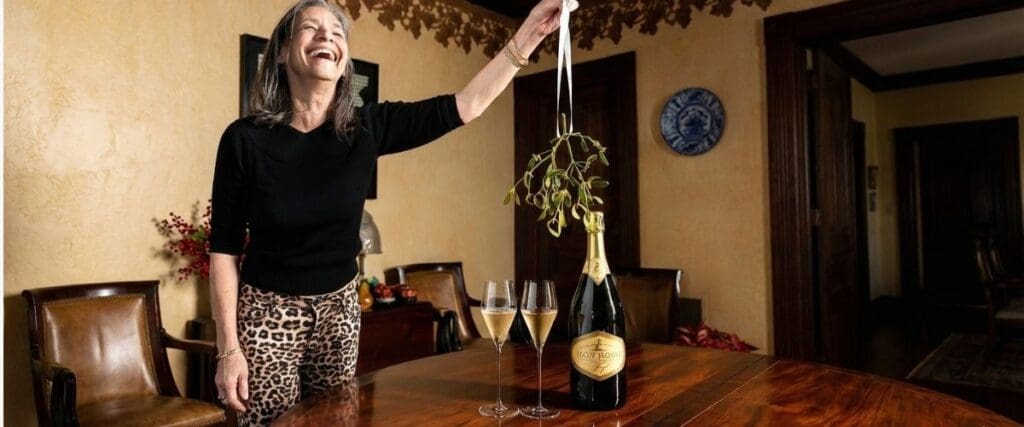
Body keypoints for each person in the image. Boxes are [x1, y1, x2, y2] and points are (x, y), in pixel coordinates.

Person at [207, 0, 577, 424]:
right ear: (281, 51)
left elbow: (467, 105)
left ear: (344, 61)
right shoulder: (244, 140)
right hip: (268, 311)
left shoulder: (367, 127)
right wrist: (228, 348)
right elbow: (223, 249)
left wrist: (529, 33)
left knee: (334, 421)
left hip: (340, 310)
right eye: (310, 28)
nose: (327, 35)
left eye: (337, 31)